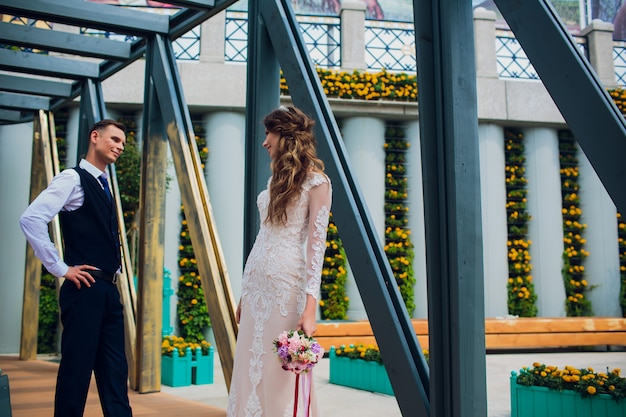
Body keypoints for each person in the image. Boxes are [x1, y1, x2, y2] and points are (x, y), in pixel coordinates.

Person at [19, 119, 132, 417]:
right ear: (95, 137)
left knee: (115, 374)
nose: (120, 146)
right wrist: (60, 267)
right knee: (76, 373)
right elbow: (31, 219)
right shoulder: (72, 178)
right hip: (84, 290)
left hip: (108, 290)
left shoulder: (104, 184)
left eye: (123, 142)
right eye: (115, 139)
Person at [227, 106, 332, 417]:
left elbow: (317, 247)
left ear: (284, 136)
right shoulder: (276, 182)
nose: (264, 142)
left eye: (268, 134)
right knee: (249, 364)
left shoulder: (317, 183)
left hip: (286, 287)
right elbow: (262, 239)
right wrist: (246, 292)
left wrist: (310, 307)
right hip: (257, 284)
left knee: (280, 370)